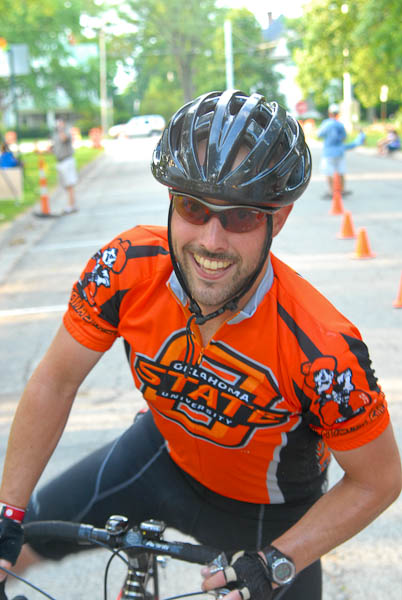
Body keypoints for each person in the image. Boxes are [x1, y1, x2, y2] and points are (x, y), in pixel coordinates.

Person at [0, 90, 401, 600]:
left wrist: (278, 560)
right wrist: (7, 513)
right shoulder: (123, 268)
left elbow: (379, 479)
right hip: (157, 458)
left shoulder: (324, 351)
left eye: (241, 217)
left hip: (269, 514)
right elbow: (55, 382)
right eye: (193, 207)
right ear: (171, 201)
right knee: (19, 542)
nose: (212, 241)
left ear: (278, 219)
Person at [316, 103, 350, 199]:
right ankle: (342, 190)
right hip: (339, 151)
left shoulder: (326, 123)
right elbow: (344, 137)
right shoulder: (340, 125)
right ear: (338, 113)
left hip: (328, 152)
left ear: (329, 113)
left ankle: (331, 191)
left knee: (328, 172)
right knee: (341, 171)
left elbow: (319, 134)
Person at [51, 118, 78, 214]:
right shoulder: (55, 134)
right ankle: (71, 203)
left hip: (67, 160)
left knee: (69, 184)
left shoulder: (66, 132)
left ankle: (72, 205)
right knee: (65, 184)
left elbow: (64, 139)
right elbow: (55, 147)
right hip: (59, 161)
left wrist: (61, 129)